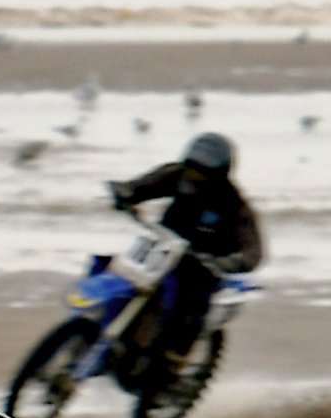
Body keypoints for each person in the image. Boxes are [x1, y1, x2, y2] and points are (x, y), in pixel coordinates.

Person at [108, 132, 265, 374]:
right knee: (113, 269)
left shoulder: (235, 207)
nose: (193, 176)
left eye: (201, 173)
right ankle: (99, 329)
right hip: (162, 250)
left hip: (202, 267)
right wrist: (126, 192)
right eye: (191, 169)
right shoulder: (176, 174)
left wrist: (228, 262)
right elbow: (143, 186)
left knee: (187, 311)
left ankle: (169, 369)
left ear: (218, 174)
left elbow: (253, 253)